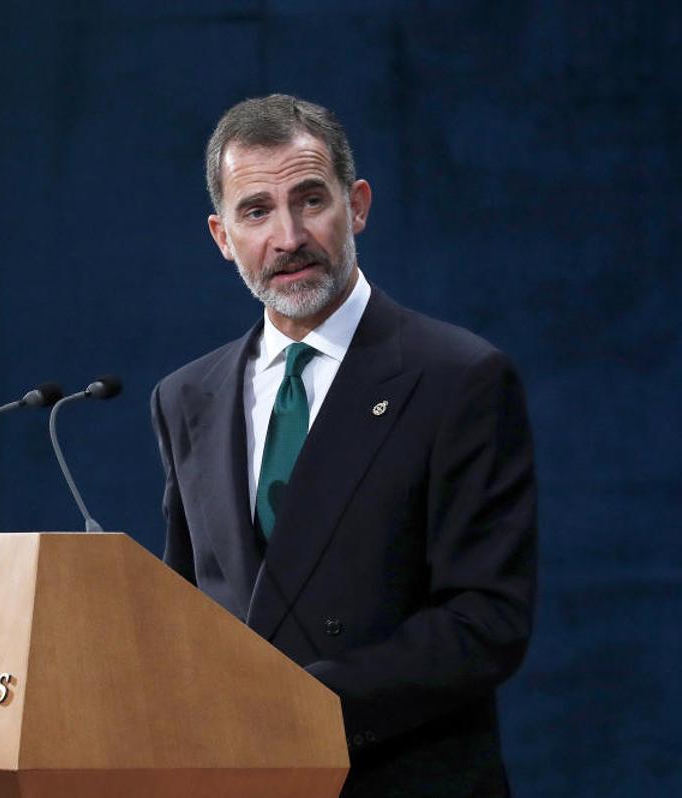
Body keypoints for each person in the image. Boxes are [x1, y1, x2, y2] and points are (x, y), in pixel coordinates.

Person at [150, 94, 537, 797]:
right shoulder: (186, 398)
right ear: (221, 236)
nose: (288, 236)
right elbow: (189, 613)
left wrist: (300, 708)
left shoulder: (458, 377)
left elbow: (486, 620)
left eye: (310, 200)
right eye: (256, 211)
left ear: (356, 206)